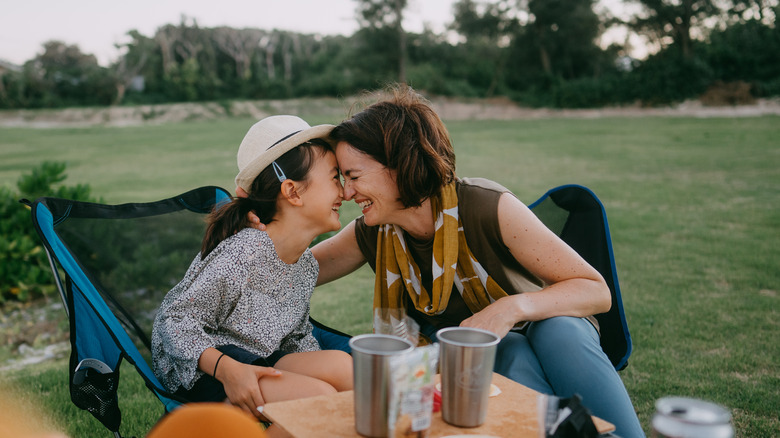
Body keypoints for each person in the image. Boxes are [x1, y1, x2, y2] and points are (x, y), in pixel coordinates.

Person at [250, 85, 644, 437]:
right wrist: (268, 225)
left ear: (398, 165)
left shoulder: (488, 206)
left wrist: (511, 308)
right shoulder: (372, 232)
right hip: (469, 364)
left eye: (353, 175)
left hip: (548, 332)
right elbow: (291, 270)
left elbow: (594, 290)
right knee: (510, 351)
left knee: (557, 330)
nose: (348, 192)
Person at [152, 115, 353, 436]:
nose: (346, 192)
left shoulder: (305, 264)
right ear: (293, 192)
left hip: (259, 354)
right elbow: (173, 321)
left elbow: (296, 336)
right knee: (319, 402)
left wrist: (317, 374)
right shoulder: (243, 254)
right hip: (206, 366)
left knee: (346, 369)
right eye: (334, 178)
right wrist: (228, 370)